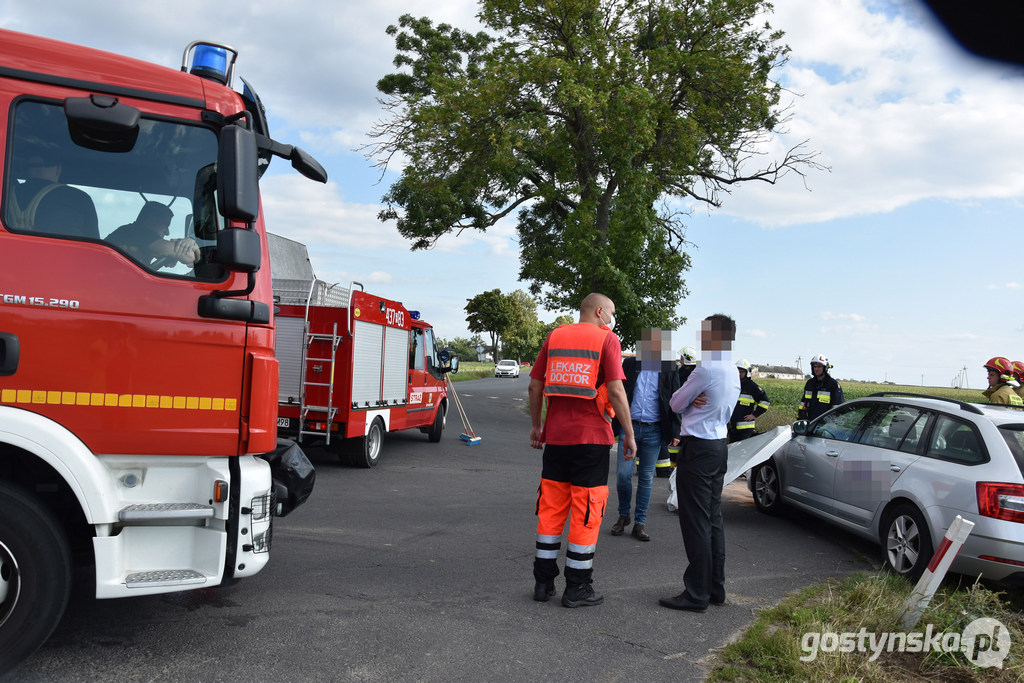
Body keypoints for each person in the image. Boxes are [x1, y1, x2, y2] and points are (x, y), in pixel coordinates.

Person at [529, 293, 635, 608]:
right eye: (612, 311)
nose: (613, 317)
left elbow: (535, 385)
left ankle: (543, 582)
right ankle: (577, 587)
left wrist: (538, 426)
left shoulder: (555, 336)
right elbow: (615, 390)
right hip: (591, 442)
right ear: (600, 311)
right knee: (587, 512)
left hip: (557, 441)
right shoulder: (608, 340)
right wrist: (629, 434)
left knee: (550, 511)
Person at [659, 314, 740, 613]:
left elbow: (675, 403)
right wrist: (696, 400)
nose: (700, 337)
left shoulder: (706, 370)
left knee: (695, 522)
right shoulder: (731, 368)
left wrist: (691, 401)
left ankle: (695, 594)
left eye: (704, 332)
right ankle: (714, 587)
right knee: (713, 519)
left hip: (699, 448)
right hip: (718, 446)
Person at [610, 328, 681, 542]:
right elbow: (618, 391)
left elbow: (675, 400)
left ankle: (639, 523)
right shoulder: (631, 365)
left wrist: (675, 431)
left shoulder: (670, 370)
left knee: (646, 478)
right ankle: (624, 515)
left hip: (654, 430)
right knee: (623, 475)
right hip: (628, 426)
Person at [7, 149, 98, 238]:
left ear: (23, 168)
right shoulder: (80, 199)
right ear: (58, 169)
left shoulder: (5, 194)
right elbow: (94, 245)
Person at [106, 201, 200, 269]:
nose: (167, 232)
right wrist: (192, 244)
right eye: (165, 225)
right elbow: (190, 256)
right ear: (151, 221)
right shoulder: (137, 233)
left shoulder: (129, 232)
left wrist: (170, 255)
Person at [729, 360, 770, 442]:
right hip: (732, 426)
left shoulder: (752, 387)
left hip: (746, 429)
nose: (739, 374)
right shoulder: (731, 384)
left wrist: (754, 415)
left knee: (744, 451)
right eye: (737, 371)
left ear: (747, 372)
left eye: (742, 372)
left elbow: (765, 402)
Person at [797, 354, 844, 421]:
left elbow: (837, 408)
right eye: (815, 367)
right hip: (809, 422)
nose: (816, 369)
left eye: (819, 367)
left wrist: (832, 424)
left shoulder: (833, 385)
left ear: (825, 368)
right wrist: (801, 416)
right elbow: (803, 402)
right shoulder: (809, 383)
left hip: (825, 425)